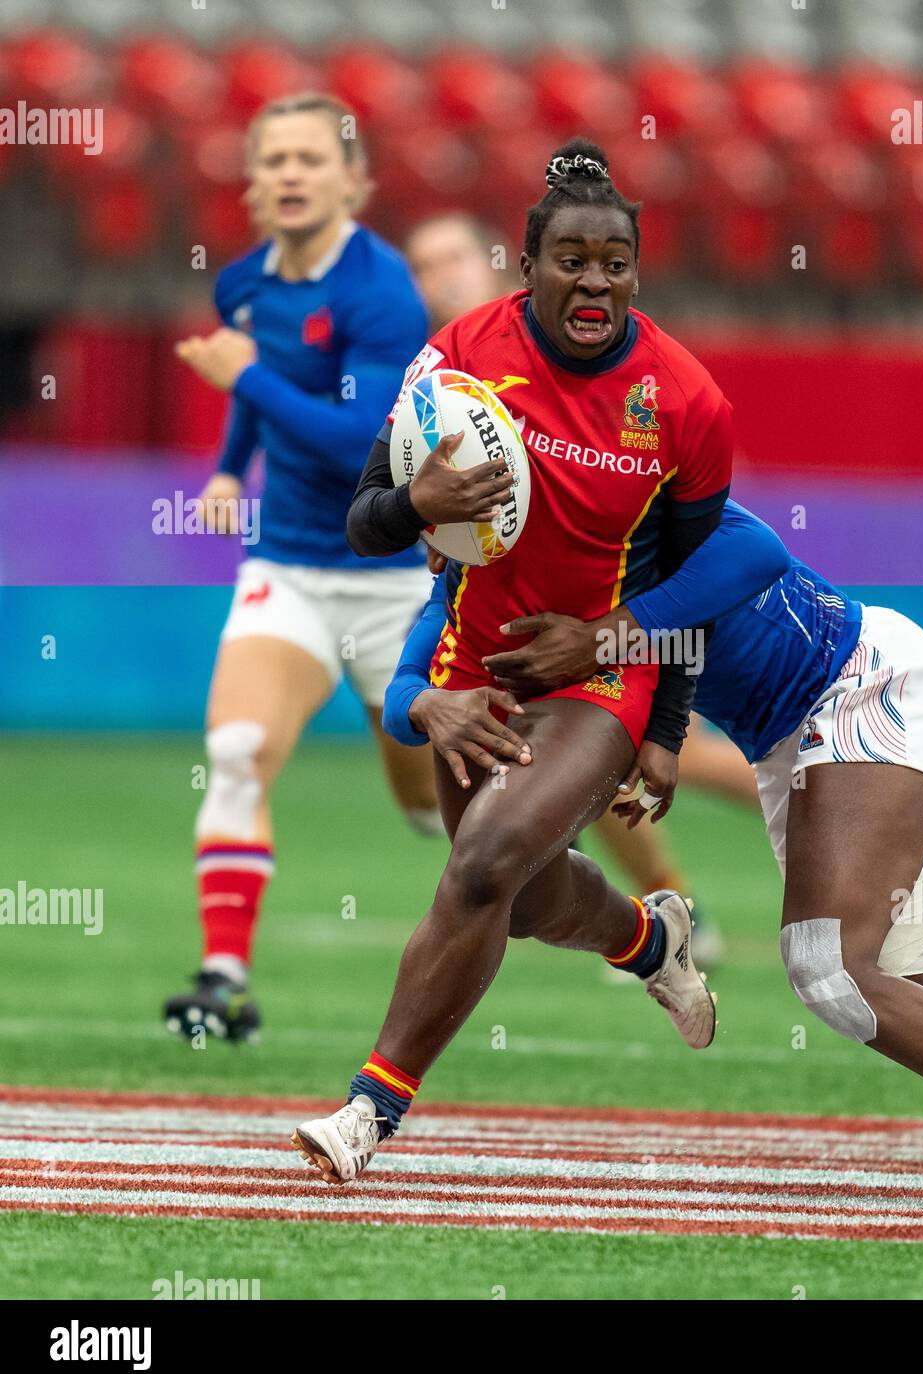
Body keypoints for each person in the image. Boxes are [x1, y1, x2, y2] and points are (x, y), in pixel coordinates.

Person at [383, 502, 923, 1210]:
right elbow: (433, 674)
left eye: (449, 525)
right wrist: (646, 733)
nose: (436, 549)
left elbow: (744, 558)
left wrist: (632, 692)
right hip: (787, 736)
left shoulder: (619, 509)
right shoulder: (507, 573)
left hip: (858, 685)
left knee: (833, 971)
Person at [291, 139, 786, 1184]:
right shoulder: (459, 354)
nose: (594, 279)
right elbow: (364, 521)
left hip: (603, 676)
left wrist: (661, 730)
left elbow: (693, 581)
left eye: (615, 260)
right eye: (571, 258)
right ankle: (650, 941)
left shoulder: (687, 403)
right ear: (529, 265)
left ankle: (368, 1110)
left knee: (478, 866)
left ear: (635, 272)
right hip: (478, 666)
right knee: (506, 895)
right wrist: (417, 503)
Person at [163, 93, 504, 1044]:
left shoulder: (380, 292)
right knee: (236, 755)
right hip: (291, 573)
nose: (290, 174)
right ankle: (221, 980)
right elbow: (260, 382)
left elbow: (359, 437)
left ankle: (580, 920)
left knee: (430, 807)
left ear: (354, 179)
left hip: (394, 582)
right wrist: (233, 462)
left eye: (311, 158)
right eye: (273, 160)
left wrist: (246, 380)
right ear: (253, 182)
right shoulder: (244, 284)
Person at [402, 210, 757, 967]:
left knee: (681, 758)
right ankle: (666, 922)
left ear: (505, 262)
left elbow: (722, 549)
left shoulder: (580, 351)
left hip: (622, 631)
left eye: (453, 256)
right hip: (507, 635)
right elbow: (394, 511)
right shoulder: (447, 372)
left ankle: (822, 807)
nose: (440, 278)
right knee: (543, 824)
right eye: (423, 267)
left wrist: (649, 694)